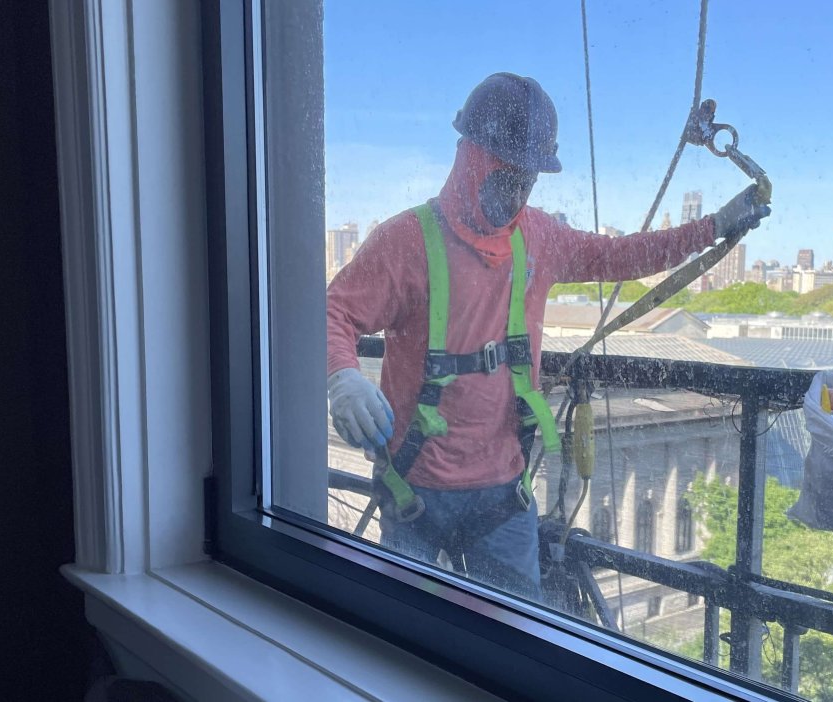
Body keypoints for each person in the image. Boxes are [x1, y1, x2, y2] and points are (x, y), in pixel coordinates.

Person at [326, 72, 769, 600]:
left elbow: (620, 256)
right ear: (469, 155)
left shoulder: (539, 236)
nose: (515, 192)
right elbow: (335, 312)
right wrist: (343, 377)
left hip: (500, 493)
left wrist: (713, 226)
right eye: (505, 173)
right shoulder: (407, 242)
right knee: (407, 630)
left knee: (514, 636)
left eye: (528, 179)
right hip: (413, 487)